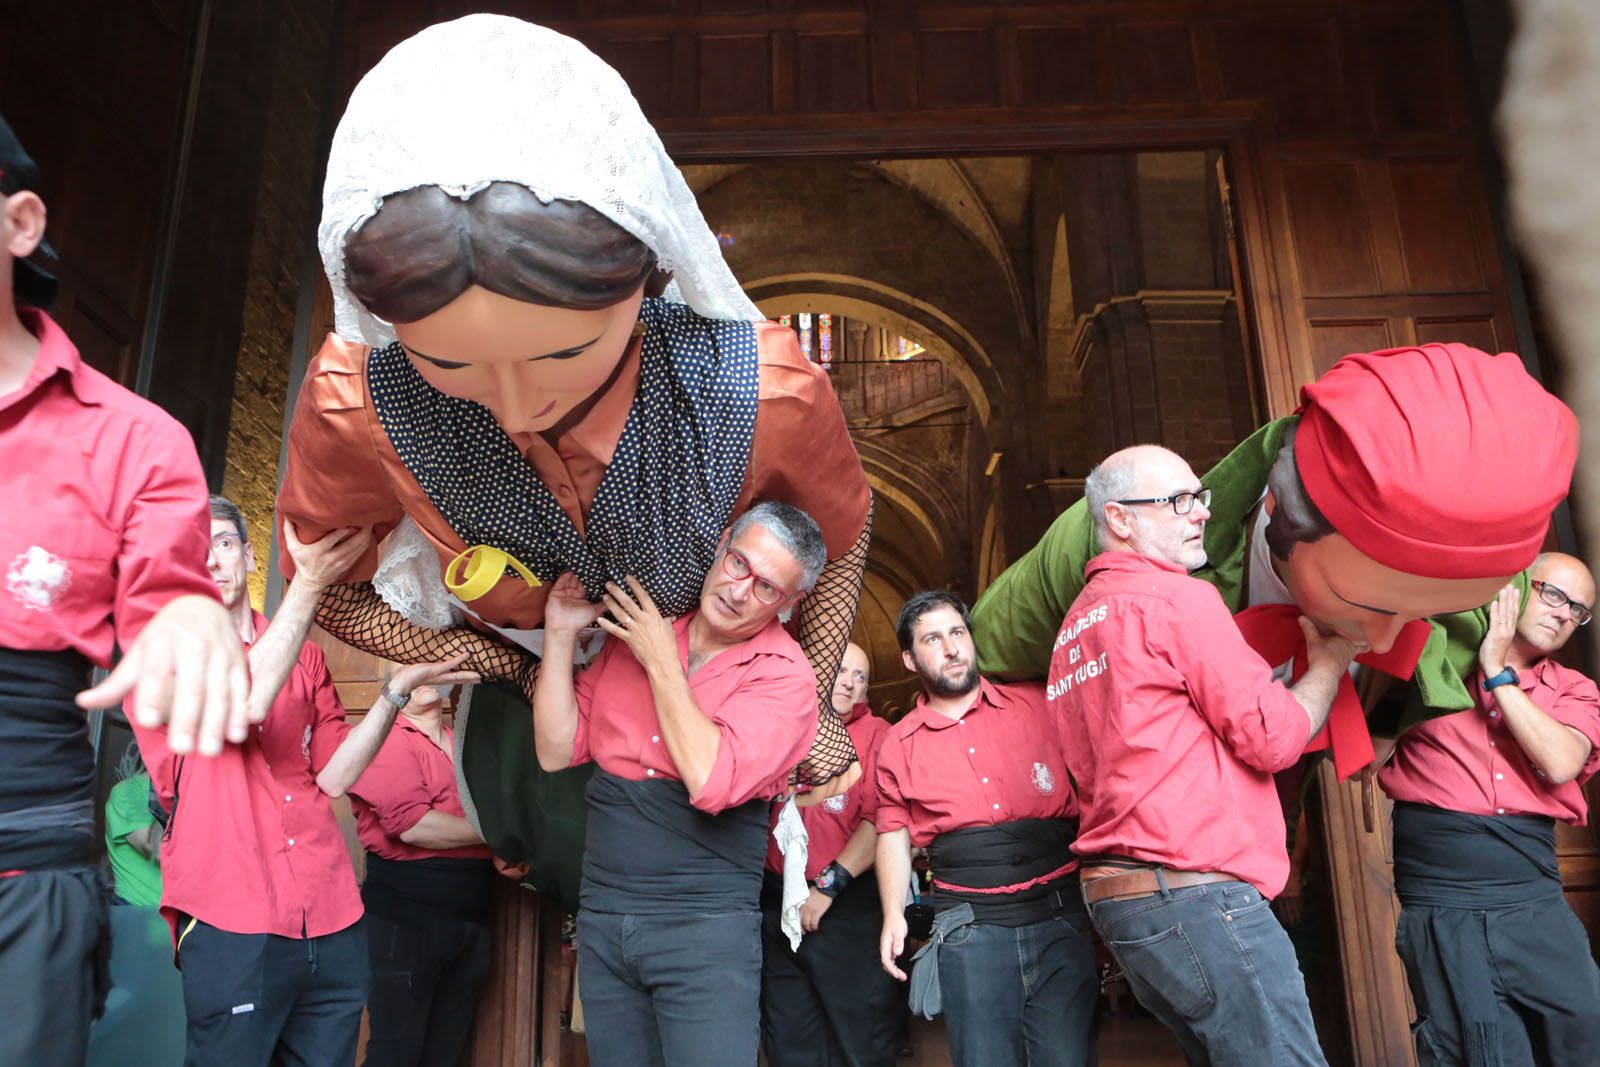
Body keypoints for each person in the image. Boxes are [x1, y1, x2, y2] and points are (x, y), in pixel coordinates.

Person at [273, 14, 871, 907]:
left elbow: (841, 532)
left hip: (703, 712)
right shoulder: (362, 399)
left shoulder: (759, 389)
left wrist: (809, 698)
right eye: (453, 364)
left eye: (561, 354)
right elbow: (322, 577)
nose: (516, 408)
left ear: (647, 276)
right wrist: (487, 659)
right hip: (533, 737)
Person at [973, 344, 1579, 777]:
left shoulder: (1488, 601)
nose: (1384, 639)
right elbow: (989, 656)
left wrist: (1386, 723)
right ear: (1276, 506)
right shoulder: (1116, 539)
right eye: (1366, 603)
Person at [0, 113, 253, 1067]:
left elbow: (167, 596)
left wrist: (190, 615)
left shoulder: (134, 440)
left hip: (23, 875)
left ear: (21, 223)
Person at [132, 496, 477, 1067]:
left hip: (330, 913)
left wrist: (395, 693)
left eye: (221, 544)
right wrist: (310, 585)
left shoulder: (307, 659)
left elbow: (337, 776)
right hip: (230, 913)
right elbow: (243, 704)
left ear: (248, 556)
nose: (210, 561)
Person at [1050, 445, 1362, 1065]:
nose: (1200, 513)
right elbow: (1273, 738)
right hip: (1195, 894)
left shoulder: (1074, 628)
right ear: (1120, 519)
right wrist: (1328, 666)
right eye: (1176, 501)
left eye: (1199, 497)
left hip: (1124, 904)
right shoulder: (1176, 600)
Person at [533, 501, 826, 1067]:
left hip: (704, 931)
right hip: (605, 918)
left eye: (767, 588)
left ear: (789, 603)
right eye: (739, 563)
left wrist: (661, 662)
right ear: (721, 544)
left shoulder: (784, 675)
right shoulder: (648, 629)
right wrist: (561, 634)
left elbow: (712, 781)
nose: (739, 591)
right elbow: (554, 750)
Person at [1379, 551, 1600, 1065]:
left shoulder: (1575, 689)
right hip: (1441, 897)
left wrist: (1496, 671)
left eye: (1579, 610)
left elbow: (1561, 762)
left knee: (1585, 1028)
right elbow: (1362, 760)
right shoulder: (1430, 664)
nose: (1564, 614)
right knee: (1479, 1048)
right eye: (1554, 595)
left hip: (1530, 893)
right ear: (1516, 586)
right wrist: (1396, 677)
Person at [876, 591, 1097, 1067]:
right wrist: (894, 913)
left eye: (957, 633)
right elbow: (891, 831)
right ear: (910, 659)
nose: (951, 648)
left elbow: (1095, 771)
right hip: (970, 933)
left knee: (1069, 1058)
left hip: (1060, 919)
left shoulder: (1037, 703)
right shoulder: (898, 744)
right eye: (932, 639)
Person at [759, 642, 900, 1067]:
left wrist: (827, 888)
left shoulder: (877, 735)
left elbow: (881, 822)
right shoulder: (784, 726)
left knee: (857, 1039)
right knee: (788, 1037)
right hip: (776, 904)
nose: (850, 682)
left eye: (861, 676)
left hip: (843, 906)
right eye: (841, 670)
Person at [348, 682, 496, 1067]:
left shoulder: (461, 743)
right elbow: (412, 826)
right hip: (405, 922)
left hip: (470, 919)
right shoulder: (383, 736)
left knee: (446, 1055)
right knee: (396, 1053)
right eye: (412, 667)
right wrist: (500, 835)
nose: (425, 675)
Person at [104, 749, 162, 908]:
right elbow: (156, 848)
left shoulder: (196, 796)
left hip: (190, 915)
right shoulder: (126, 793)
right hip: (140, 911)